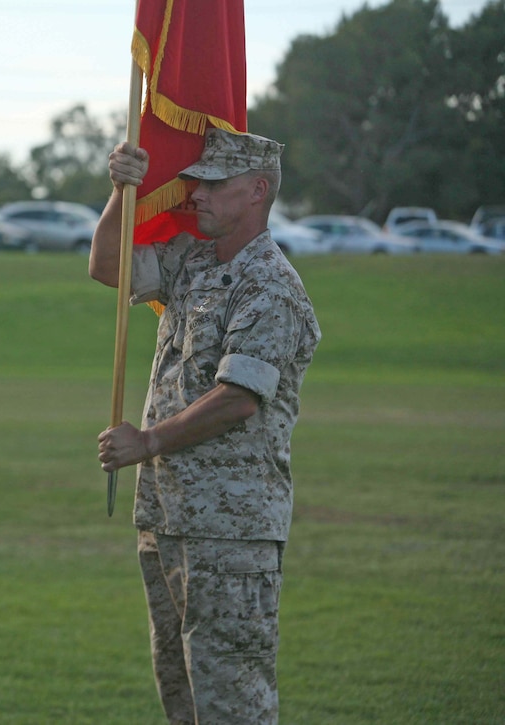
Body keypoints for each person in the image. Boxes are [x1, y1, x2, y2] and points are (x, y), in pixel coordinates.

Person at [90, 128, 321, 725]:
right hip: (170, 515)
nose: (196, 193)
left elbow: (240, 397)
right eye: (197, 180)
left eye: (215, 184)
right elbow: (105, 267)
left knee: (232, 701)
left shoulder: (269, 284)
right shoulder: (192, 263)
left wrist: (149, 442)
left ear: (257, 191)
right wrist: (123, 190)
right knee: (183, 698)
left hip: (231, 530)